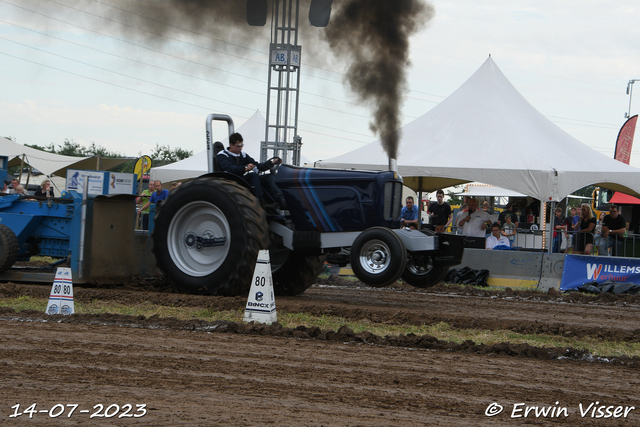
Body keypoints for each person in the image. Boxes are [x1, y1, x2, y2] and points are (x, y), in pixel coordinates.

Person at [217, 132, 286, 209]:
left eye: (242, 145)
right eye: (238, 146)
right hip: (230, 181)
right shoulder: (222, 156)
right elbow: (229, 168)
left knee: (268, 178)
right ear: (231, 145)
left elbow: (257, 165)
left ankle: (278, 200)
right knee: (253, 176)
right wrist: (245, 169)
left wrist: (272, 163)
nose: (240, 148)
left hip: (241, 179)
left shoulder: (243, 155)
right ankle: (258, 202)